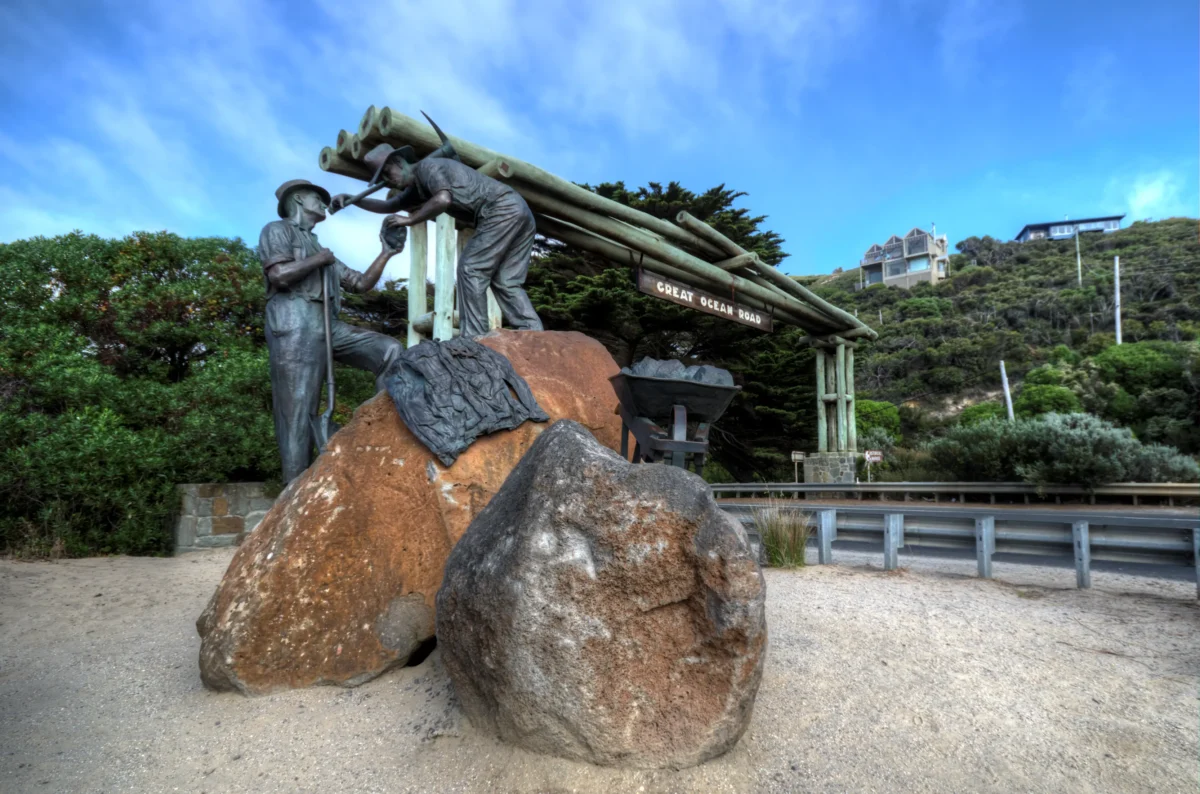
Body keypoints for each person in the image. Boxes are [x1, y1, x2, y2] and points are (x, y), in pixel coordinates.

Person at [258, 179, 405, 483]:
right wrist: (319, 260)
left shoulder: (319, 247)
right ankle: (293, 492)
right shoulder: (277, 230)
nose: (324, 203)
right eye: (317, 198)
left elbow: (361, 283)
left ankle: (380, 432)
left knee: (389, 351)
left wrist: (387, 252)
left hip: (327, 325)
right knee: (297, 413)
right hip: (294, 322)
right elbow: (280, 275)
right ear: (298, 199)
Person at [330, 144, 543, 339]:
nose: (388, 180)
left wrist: (411, 219)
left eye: (387, 173)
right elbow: (390, 205)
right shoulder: (417, 186)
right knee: (506, 280)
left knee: (471, 269)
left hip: (501, 209)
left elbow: (443, 199)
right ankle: (533, 332)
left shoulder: (428, 167)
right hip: (519, 210)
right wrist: (352, 200)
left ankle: (474, 337)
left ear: (398, 162)